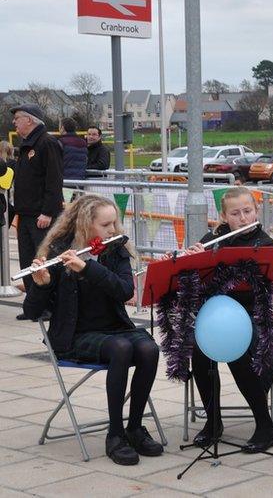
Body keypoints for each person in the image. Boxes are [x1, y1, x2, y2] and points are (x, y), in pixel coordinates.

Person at [23, 194, 163, 465]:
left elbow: (124, 290)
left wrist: (88, 268)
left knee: (148, 348)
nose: (114, 230)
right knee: (122, 349)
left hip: (115, 328)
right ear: (86, 225)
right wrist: (40, 284)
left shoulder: (115, 249)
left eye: (115, 223)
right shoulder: (58, 252)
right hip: (76, 336)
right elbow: (32, 311)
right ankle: (115, 434)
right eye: (106, 225)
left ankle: (134, 427)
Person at [185, 187, 273, 453]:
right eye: (236, 213)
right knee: (199, 350)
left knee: (238, 351)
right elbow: (194, 287)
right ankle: (213, 422)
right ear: (224, 216)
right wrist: (194, 262)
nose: (243, 218)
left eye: (247, 211)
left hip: (254, 320)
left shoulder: (265, 245)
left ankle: (265, 426)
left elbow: (262, 290)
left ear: (256, 211)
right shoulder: (213, 239)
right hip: (216, 319)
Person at [11, 104, 63, 320]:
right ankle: (33, 306)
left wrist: (48, 212)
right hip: (25, 214)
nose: (14, 122)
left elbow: (54, 180)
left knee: (43, 260)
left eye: (17, 118)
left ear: (29, 120)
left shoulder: (47, 143)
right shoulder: (26, 144)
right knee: (27, 262)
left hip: (40, 215)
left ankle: (48, 306)